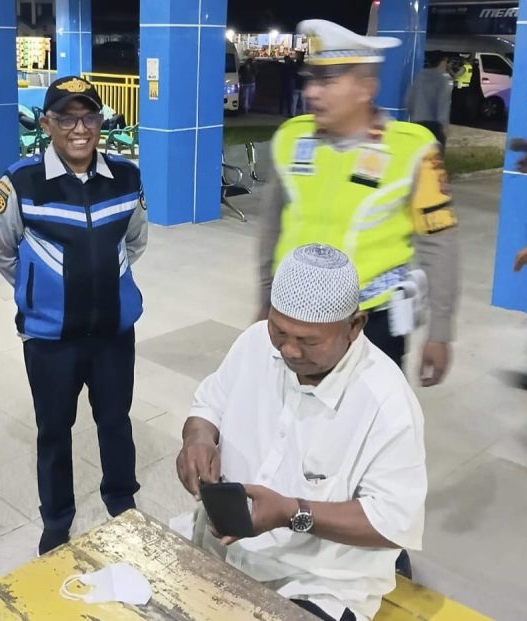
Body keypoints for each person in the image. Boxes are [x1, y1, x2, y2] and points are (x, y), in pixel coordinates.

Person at [177, 244, 427, 621]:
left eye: (309, 341)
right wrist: (197, 438)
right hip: (222, 553)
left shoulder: (387, 404)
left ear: (354, 327)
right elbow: (208, 406)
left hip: (316, 583)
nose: (289, 350)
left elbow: (394, 523)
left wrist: (294, 513)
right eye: (280, 331)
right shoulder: (256, 343)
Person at [0, 76, 148, 555]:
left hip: (114, 334)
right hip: (50, 340)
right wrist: (43, 289)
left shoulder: (126, 176)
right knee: (54, 431)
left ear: (100, 122)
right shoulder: (20, 182)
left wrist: (103, 281)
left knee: (116, 422)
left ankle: (123, 504)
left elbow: (136, 240)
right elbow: (2, 252)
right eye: (66, 118)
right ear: (47, 124)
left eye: (89, 117)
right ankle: (57, 519)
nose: (80, 128)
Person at [258, 19, 459, 388]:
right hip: (294, 321)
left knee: (365, 432)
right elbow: (272, 229)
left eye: (328, 80)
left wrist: (440, 331)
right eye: (311, 79)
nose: (313, 93)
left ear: (367, 87)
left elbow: (439, 245)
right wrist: (264, 304)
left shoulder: (414, 150)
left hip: (371, 326)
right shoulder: (290, 139)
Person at [406, 50, 453, 151]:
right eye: (445, 62)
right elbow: (443, 104)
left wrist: (414, 115)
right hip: (435, 125)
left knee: (419, 154)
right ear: (442, 62)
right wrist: (444, 125)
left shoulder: (419, 77)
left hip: (418, 122)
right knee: (434, 157)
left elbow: (409, 100)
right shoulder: (442, 80)